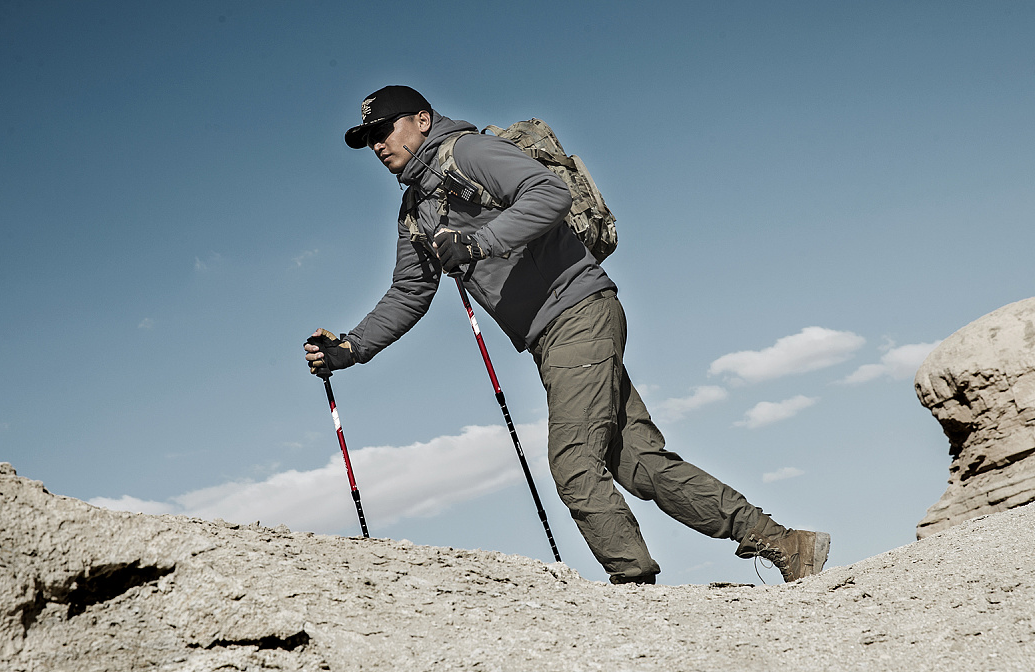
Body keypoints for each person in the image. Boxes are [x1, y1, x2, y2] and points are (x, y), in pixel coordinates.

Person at [304, 85, 829, 584]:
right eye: (367, 138)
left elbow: (547, 192)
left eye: (384, 129)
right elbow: (408, 292)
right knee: (640, 462)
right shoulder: (415, 211)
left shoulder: (467, 153)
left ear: (421, 120)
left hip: (576, 311)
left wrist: (479, 242)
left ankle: (633, 581)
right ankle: (786, 543)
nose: (376, 144)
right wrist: (351, 348)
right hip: (553, 332)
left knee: (573, 461)